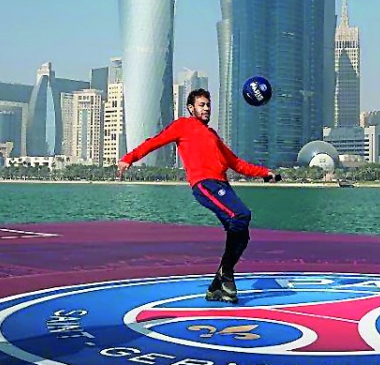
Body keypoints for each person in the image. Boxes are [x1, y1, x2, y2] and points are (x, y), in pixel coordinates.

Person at [118, 89, 278, 303]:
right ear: (191, 108)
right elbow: (154, 141)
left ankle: (216, 287)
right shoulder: (183, 125)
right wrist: (129, 158)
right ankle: (227, 275)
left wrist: (265, 173)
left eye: (208, 105)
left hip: (222, 185)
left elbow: (236, 163)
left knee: (242, 235)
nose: (207, 108)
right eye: (202, 105)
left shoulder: (213, 135)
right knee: (241, 215)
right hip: (205, 184)